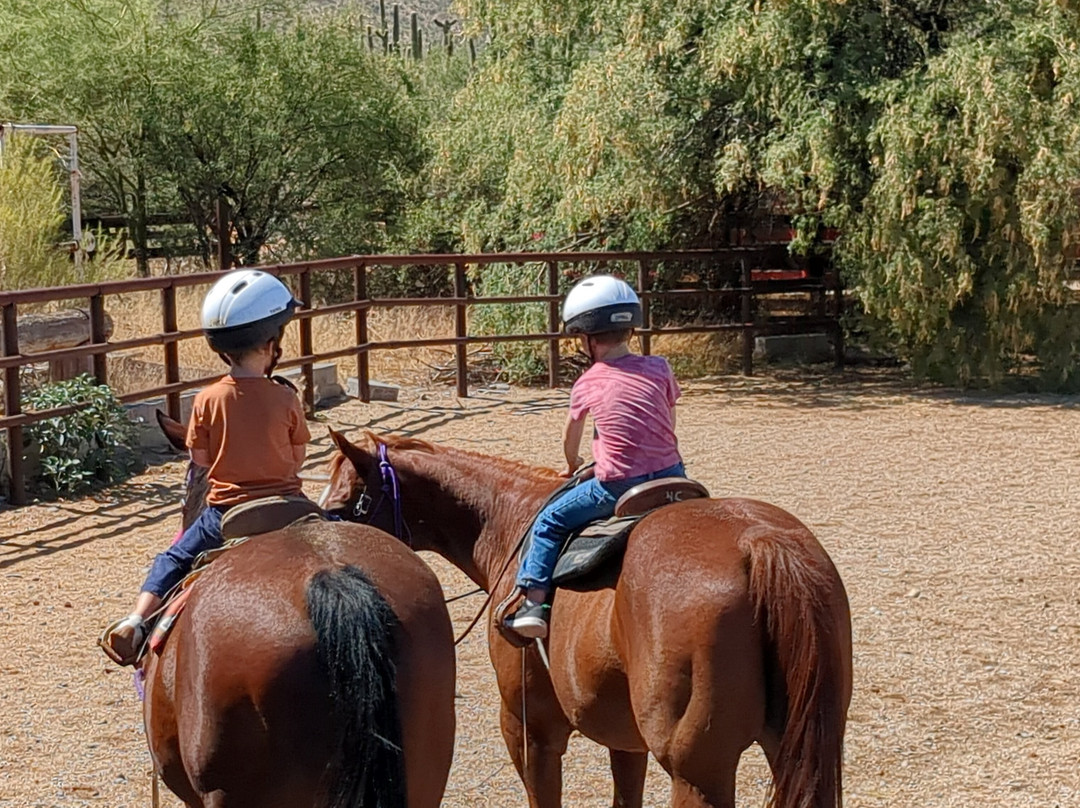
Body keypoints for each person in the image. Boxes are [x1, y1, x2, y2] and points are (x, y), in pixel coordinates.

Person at [103, 269, 311, 665]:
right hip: (290, 505)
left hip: (225, 514)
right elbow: (298, 456)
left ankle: (135, 622)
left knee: (173, 559)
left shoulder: (208, 399)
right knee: (346, 538)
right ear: (272, 344)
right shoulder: (286, 398)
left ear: (223, 350)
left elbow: (199, 460)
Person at [507, 275, 684, 639]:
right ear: (630, 329)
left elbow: (570, 437)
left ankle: (534, 603)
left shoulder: (588, 382)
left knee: (549, 521)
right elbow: (669, 419)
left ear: (587, 338)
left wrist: (572, 464)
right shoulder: (660, 367)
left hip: (618, 485)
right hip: (673, 475)